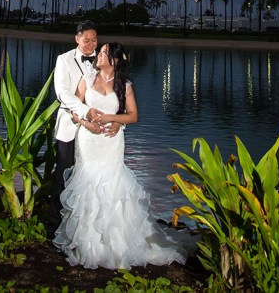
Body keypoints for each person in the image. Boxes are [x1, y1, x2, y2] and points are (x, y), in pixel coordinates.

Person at [53, 41, 193, 270]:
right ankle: (89, 244)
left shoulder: (124, 85)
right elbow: (74, 108)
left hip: (111, 142)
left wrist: (113, 120)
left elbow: (133, 115)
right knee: (88, 183)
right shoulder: (87, 78)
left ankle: (115, 242)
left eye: (104, 53)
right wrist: (86, 124)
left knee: (113, 187)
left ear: (115, 61)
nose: (99, 55)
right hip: (88, 141)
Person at [46, 20, 119, 237]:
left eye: (94, 40)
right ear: (77, 38)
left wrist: (118, 121)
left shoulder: (103, 59)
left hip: (96, 134)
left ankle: (88, 230)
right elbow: (62, 93)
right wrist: (85, 113)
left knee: (91, 178)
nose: (90, 44)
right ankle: (54, 228)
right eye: (86, 40)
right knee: (64, 175)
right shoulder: (64, 60)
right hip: (71, 126)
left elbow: (118, 94)